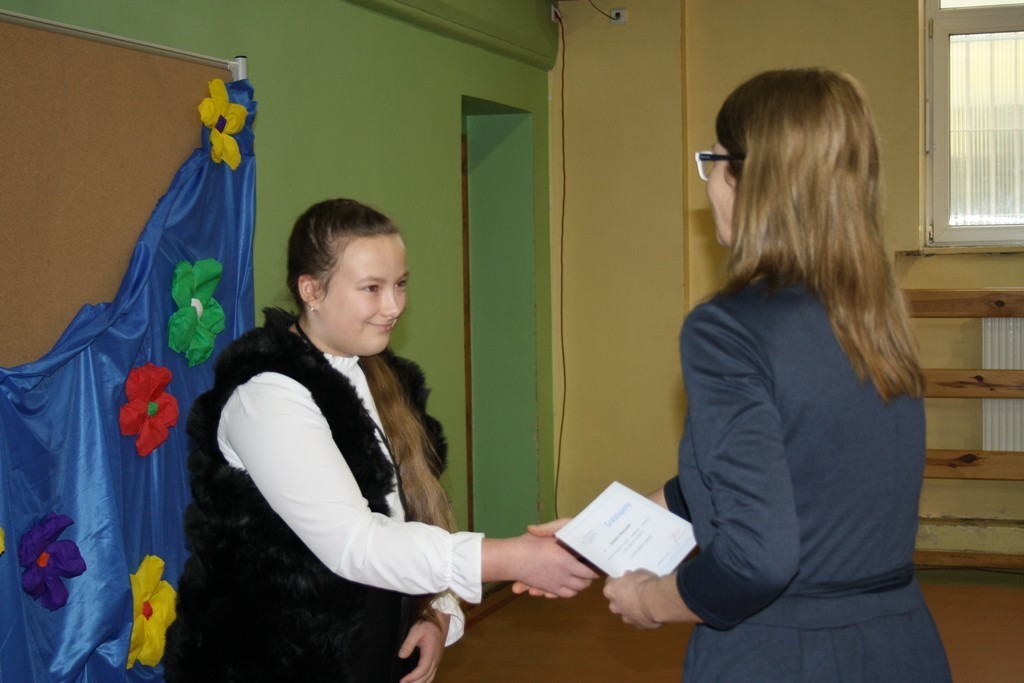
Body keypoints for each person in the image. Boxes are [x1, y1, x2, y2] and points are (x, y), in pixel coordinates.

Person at [601, 69, 953, 681]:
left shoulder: (727, 329)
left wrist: (650, 600)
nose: (709, 183)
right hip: (900, 643)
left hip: (781, 652)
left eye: (713, 161)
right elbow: (788, 471)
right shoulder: (874, 317)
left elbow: (757, 558)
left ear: (748, 177)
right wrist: (598, 535)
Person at [164, 198, 597, 683]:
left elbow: (407, 512)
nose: (393, 306)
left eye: (400, 284)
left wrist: (434, 611)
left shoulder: (381, 376)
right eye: (372, 288)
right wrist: (511, 558)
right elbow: (355, 542)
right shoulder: (267, 396)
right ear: (311, 290)